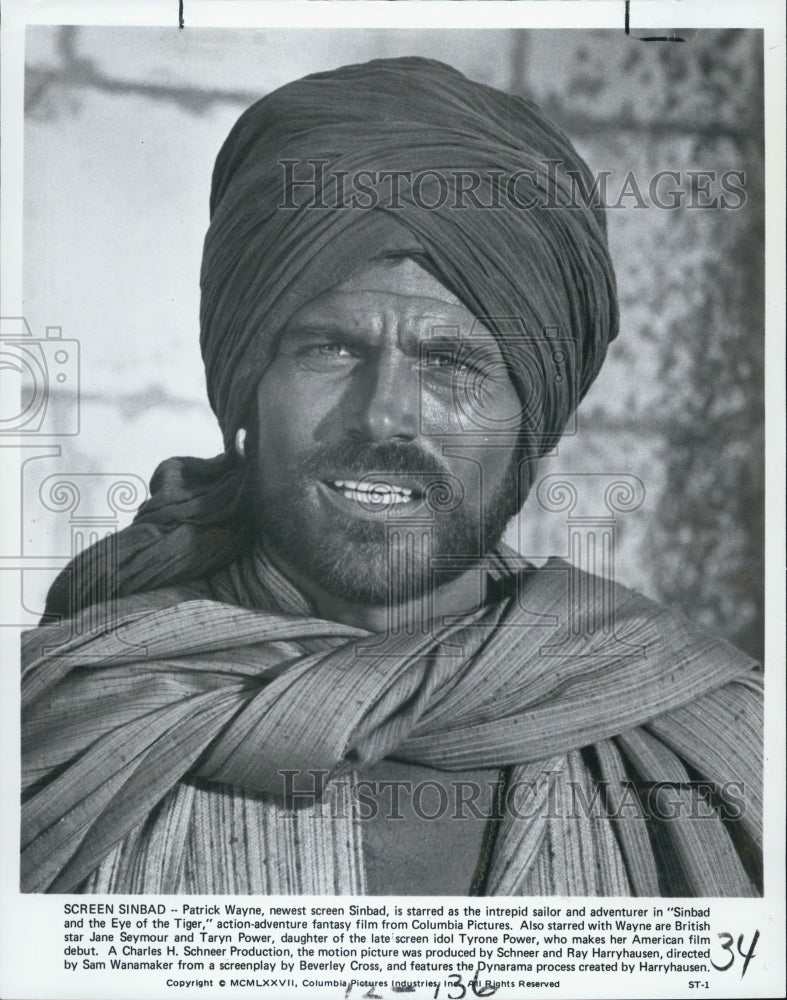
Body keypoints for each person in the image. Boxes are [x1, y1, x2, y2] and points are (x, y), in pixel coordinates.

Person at [21, 57, 762, 896]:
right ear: (246, 383)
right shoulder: (54, 732)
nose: (380, 416)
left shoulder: (713, 742)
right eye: (330, 348)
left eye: (449, 362)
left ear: (534, 417)